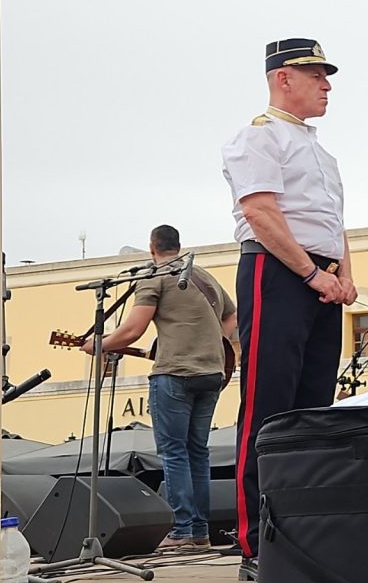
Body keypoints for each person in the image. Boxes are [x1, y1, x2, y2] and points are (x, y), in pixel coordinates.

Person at [221, 37, 357, 581]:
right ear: (283, 77)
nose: (326, 85)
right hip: (277, 271)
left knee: (313, 410)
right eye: (315, 74)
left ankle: (303, 533)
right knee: (268, 406)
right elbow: (260, 212)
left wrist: (344, 276)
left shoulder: (321, 152)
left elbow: (334, 223)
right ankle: (255, 543)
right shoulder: (258, 136)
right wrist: (311, 273)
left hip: (320, 278)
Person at [82, 224, 236, 550]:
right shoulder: (205, 276)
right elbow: (232, 316)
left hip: (175, 373)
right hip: (211, 373)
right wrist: (209, 340)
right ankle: (200, 532)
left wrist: (99, 344)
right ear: (178, 245)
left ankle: (182, 530)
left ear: (152, 247)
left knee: (174, 453)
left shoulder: (155, 277)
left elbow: (133, 330)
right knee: (198, 453)